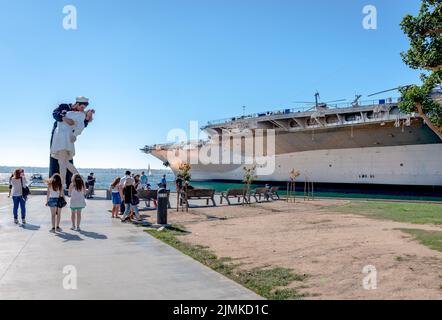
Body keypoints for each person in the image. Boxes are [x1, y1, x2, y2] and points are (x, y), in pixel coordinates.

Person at [50, 97, 95, 189]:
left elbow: (81, 126)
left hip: (65, 138)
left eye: (84, 108)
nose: (83, 109)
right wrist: (64, 118)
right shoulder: (64, 106)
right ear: (77, 104)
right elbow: (55, 114)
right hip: (58, 137)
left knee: (63, 161)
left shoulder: (80, 114)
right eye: (82, 107)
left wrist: (75, 134)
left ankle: (67, 182)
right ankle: (73, 181)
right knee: (62, 162)